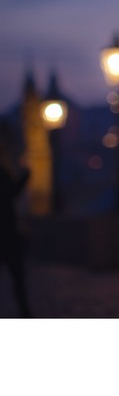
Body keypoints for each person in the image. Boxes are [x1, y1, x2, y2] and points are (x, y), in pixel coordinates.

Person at [0, 122, 31, 317]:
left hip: (8, 230)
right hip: (7, 231)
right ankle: (25, 313)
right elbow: (8, 195)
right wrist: (25, 178)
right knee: (17, 277)